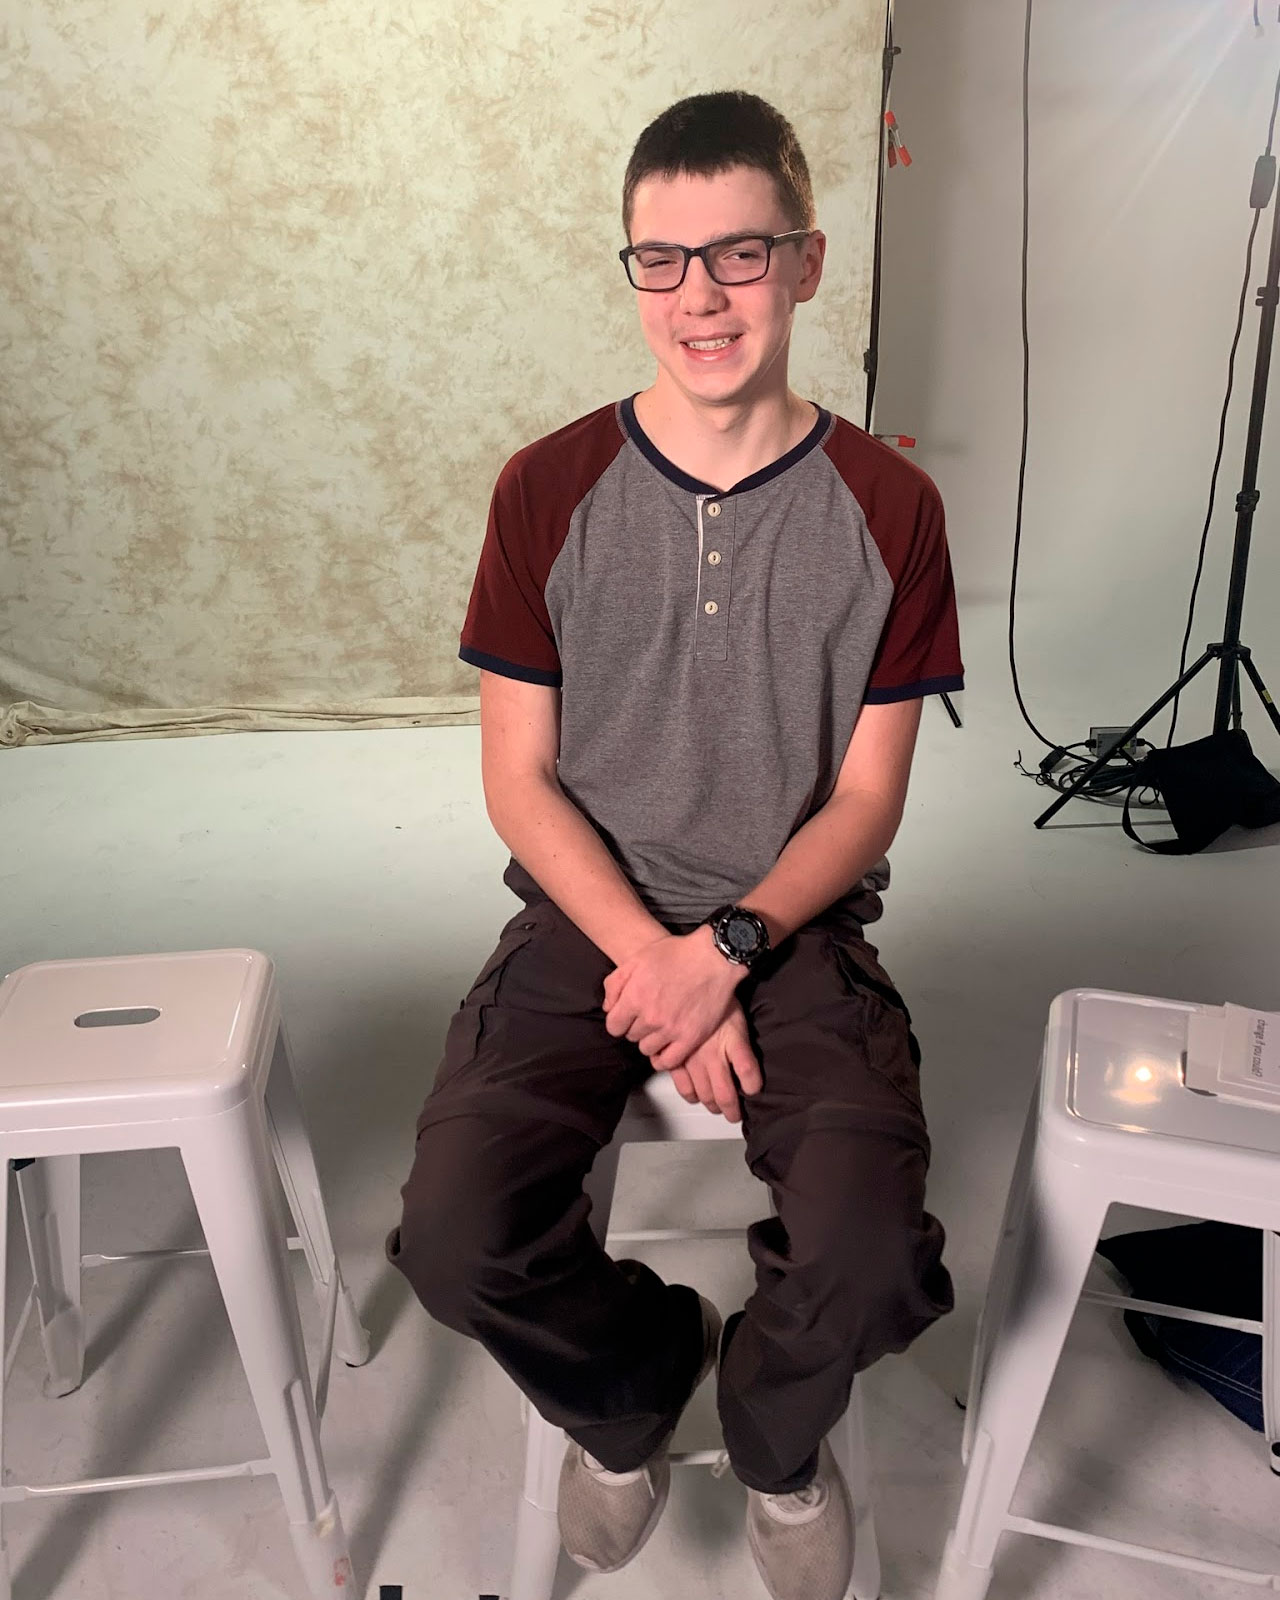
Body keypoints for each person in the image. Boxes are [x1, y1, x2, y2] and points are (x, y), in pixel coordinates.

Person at [387, 89, 961, 1600]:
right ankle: (635, 1385)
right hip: (591, 915)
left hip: (794, 919)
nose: (700, 296)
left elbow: (866, 802)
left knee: (874, 1250)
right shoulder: (547, 488)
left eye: (740, 254)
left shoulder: (891, 508)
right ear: (630, 271)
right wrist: (659, 960)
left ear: (808, 262)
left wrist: (731, 951)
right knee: (453, 1235)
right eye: (663, 260)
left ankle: (776, 1443)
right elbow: (519, 782)